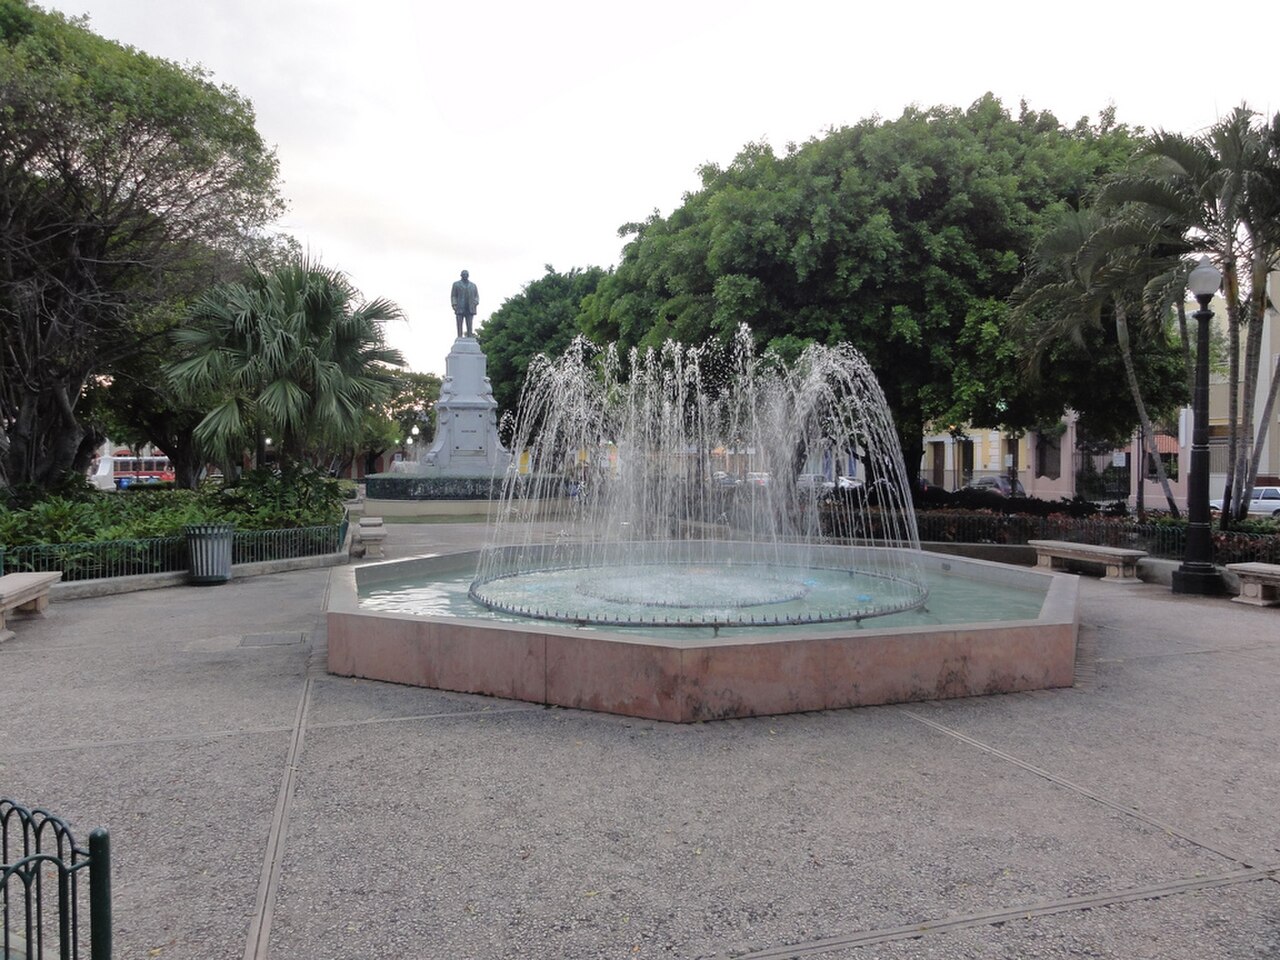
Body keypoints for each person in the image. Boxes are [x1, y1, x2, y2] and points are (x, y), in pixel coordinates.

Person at [450, 269, 479, 338]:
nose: (465, 276)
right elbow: (453, 295)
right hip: (460, 306)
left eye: (466, 274)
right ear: (461, 275)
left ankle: (470, 336)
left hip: (470, 307)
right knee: (459, 323)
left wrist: (476, 302)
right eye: (463, 274)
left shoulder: (473, 285)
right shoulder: (456, 284)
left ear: (468, 275)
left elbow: (476, 296)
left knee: (470, 323)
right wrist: (454, 304)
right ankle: (459, 336)